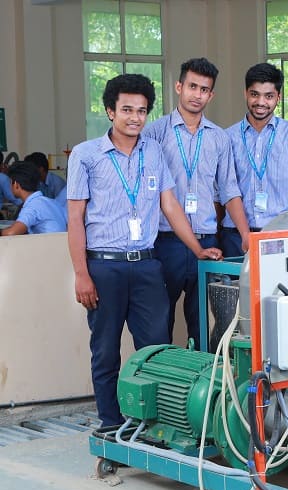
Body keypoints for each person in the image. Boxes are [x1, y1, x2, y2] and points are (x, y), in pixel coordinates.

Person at [66, 73, 223, 427]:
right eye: (126, 110)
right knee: (105, 351)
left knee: (156, 351)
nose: (135, 117)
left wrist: (197, 249)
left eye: (141, 111)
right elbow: (75, 218)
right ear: (110, 111)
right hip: (104, 267)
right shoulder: (86, 155)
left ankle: (155, 426)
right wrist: (81, 274)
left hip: (147, 266)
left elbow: (170, 205)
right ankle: (110, 424)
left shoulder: (152, 151)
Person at [144, 57, 250, 350]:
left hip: (208, 243)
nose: (197, 95)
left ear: (211, 95)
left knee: (205, 324)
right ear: (179, 87)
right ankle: (164, 374)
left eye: (204, 89)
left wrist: (245, 234)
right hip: (165, 242)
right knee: (159, 323)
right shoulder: (154, 133)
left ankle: (203, 377)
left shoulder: (219, 138)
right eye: (192, 86)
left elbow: (229, 190)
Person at [221, 62, 288, 257]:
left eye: (269, 96)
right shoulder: (227, 137)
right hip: (236, 236)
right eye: (254, 94)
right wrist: (246, 235)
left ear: (278, 97)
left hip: (284, 234)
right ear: (245, 93)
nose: (261, 102)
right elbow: (228, 190)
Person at [0, 161, 66, 235]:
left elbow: (11, 232)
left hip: (50, 242)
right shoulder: (51, 202)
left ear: (16, 184)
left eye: (10, 182)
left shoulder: (32, 206)